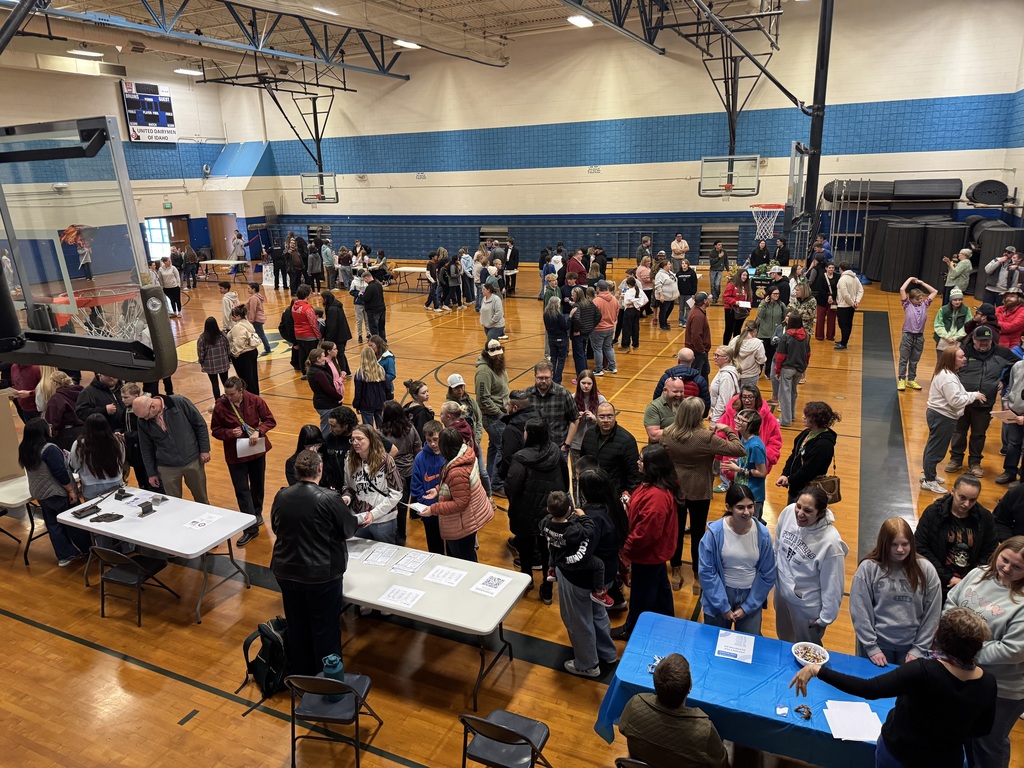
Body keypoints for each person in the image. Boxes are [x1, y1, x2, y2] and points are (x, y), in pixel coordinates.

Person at [789, 607, 996, 768]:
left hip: (901, 756)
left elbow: (868, 689)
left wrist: (819, 671)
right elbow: (982, 729)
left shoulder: (922, 671)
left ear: (938, 635)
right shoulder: (988, 682)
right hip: (946, 761)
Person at [270, 449, 358, 677]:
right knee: (325, 630)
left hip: (286, 571)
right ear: (320, 469)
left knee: (297, 627)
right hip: (322, 575)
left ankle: (302, 679)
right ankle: (327, 683)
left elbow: (276, 526)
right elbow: (348, 529)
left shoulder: (281, 495)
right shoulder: (329, 498)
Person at [945, 537, 1024, 767]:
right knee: (967, 736)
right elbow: (952, 601)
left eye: (1017, 567)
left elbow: (1012, 650)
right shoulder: (978, 573)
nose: (1007, 568)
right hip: (966, 675)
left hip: (1003, 690)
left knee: (988, 744)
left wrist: (962, 649)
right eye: (1004, 559)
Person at [661, 399, 745, 593]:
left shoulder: (668, 433)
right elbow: (739, 449)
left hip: (676, 488)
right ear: (698, 415)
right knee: (699, 532)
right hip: (699, 489)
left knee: (676, 530)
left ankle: (675, 571)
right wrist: (728, 430)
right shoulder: (706, 437)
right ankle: (698, 575)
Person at [557, 469, 627, 676]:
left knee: (578, 621)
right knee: (598, 614)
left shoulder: (591, 518)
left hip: (581, 578)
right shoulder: (615, 508)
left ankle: (587, 664)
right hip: (605, 575)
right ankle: (607, 653)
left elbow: (581, 551)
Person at [849, 517, 942, 668]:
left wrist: (919, 649)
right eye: (894, 545)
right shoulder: (869, 568)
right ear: (884, 544)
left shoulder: (926, 570)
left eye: (905, 544)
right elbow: (860, 610)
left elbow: (932, 613)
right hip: (877, 647)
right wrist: (871, 647)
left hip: (911, 650)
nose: (900, 549)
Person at [612, 444, 678, 641]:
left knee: (641, 597)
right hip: (654, 555)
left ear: (653, 466)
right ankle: (668, 624)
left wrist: (626, 549)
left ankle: (633, 630)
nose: (638, 462)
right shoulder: (652, 486)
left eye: (642, 460)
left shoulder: (656, 496)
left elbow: (646, 533)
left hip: (647, 556)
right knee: (660, 592)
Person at [618, 653, 729, 768]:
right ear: (690, 687)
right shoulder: (705, 730)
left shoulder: (635, 704)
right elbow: (721, 763)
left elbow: (622, 728)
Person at [505, 419, 570, 604]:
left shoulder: (520, 457)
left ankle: (527, 581)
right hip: (550, 512)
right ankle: (547, 589)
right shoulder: (556, 452)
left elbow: (511, 486)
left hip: (524, 512)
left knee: (525, 549)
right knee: (547, 551)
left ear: (529, 434)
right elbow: (565, 480)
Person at [773, 485, 849, 643]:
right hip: (782, 593)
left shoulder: (831, 543)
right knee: (784, 639)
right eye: (799, 506)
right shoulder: (788, 512)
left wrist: (826, 618)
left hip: (806, 607)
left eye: (807, 511)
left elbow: (833, 583)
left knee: (806, 649)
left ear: (820, 513)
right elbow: (777, 547)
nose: (800, 513)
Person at [698, 484, 776, 635]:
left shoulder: (763, 535)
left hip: (750, 596)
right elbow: (707, 572)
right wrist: (723, 606)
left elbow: (768, 574)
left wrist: (747, 607)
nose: (747, 512)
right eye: (740, 507)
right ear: (729, 507)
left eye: (750, 506)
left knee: (748, 645)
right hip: (720, 595)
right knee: (713, 642)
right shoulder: (714, 534)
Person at [210, 377, 275, 547]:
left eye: (232, 394)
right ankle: (250, 528)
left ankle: (257, 512)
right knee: (241, 490)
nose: (228, 397)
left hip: (255, 451)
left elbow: (270, 420)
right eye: (226, 394)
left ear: (241, 391)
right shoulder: (220, 406)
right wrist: (230, 433)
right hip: (235, 454)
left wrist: (258, 431)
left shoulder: (255, 400)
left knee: (257, 484)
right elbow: (215, 430)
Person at [946, 325, 1015, 477]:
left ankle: (975, 463)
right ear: (973, 339)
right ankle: (955, 459)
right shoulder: (963, 352)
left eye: (987, 340)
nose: (984, 343)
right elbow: (947, 368)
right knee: (959, 432)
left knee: (979, 434)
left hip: (985, 403)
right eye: (980, 340)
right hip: (962, 401)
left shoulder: (1002, 353)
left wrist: (1004, 379)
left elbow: (1017, 366)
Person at [19, 417, 90, 566]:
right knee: (73, 522)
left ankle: (65, 555)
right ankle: (87, 549)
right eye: (48, 425)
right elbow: (60, 473)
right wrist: (71, 490)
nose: (50, 427)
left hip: (40, 493)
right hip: (57, 492)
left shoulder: (25, 448)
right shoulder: (49, 449)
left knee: (53, 525)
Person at [916, 474, 997, 599]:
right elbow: (920, 547)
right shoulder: (933, 513)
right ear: (953, 492)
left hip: (970, 583)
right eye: (962, 497)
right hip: (935, 579)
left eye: (972, 500)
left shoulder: (985, 518)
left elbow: (989, 552)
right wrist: (947, 577)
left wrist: (969, 579)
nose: (966, 504)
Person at [418, 427, 493, 561]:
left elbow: (461, 502)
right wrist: (438, 489)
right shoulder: (466, 453)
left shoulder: (456, 472)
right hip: (468, 518)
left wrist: (433, 509)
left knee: (463, 560)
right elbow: (455, 486)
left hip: (462, 524)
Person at [921, 346, 986, 493]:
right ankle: (929, 480)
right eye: (961, 357)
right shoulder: (948, 378)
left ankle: (928, 474)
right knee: (936, 450)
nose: (964, 359)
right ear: (951, 359)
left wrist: (971, 394)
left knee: (932, 446)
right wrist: (974, 396)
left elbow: (958, 394)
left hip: (939, 415)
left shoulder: (947, 373)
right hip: (942, 417)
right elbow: (955, 401)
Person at [132, 393, 211, 502]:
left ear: (153, 407)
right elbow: (146, 448)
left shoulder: (179, 402)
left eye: (146, 416)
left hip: (192, 461)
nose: (144, 420)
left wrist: (204, 450)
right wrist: (151, 473)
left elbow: (200, 424)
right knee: (174, 504)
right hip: (167, 467)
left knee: (202, 500)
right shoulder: (142, 420)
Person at [540, 490, 613, 607]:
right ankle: (599, 592)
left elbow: (542, 529)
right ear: (569, 510)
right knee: (599, 565)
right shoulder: (572, 530)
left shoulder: (545, 522)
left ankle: (552, 570)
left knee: (552, 548)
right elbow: (589, 530)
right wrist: (583, 516)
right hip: (572, 561)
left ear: (548, 509)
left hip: (557, 555)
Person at [343, 424, 403, 544]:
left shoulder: (386, 461)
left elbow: (396, 493)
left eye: (360, 439)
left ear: (371, 440)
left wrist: (374, 514)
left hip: (383, 521)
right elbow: (348, 487)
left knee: (384, 557)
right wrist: (346, 498)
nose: (355, 442)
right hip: (359, 518)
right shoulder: (350, 460)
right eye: (353, 439)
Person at [776, 401, 841, 505]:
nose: (803, 417)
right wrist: (785, 474)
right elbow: (794, 455)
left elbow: (808, 470)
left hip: (808, 492)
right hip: (796, 487)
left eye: (807, 416)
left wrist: (790, 480)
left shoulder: (824, 445)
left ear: (817, 420)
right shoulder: (806, 433)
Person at [380, 400, 421, 547]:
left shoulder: (382, 432)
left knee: (390, 504)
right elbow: (418, 447)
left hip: (390, 473)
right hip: (409, 471)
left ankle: (393, 535)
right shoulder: (410, 428)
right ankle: (401, 536)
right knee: (403, 505)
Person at [475, 339, 509, 497]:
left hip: (500, 413)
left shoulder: (498, 366)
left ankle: (488, 478)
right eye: (494, 355)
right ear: (487, 354)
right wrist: (499, 413)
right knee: (504, 445)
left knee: (495, 447)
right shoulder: (484, 372)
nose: (497, 357)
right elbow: (483, 399)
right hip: (492, 416)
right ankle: (496, 483)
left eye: (499, 354)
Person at [722, 409, 769, 521]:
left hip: (753, 496)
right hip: (743, 491)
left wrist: (739, 469)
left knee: (749, 526)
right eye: (738, 418)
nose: (737, 422)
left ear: (751, 425)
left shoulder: (755, 446)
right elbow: (748, 462)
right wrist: (736, 462)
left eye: (742, 421)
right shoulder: (744, 438)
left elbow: (762, 472)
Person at [525, 361, 580, 454]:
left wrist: (566, 444)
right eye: (540, 378)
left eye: (547, 378)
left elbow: (575, 419)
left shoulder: (563, 393)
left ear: (552, 375)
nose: (543, 381)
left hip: (558, 449)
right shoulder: (527, 394)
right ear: (535, 376)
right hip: (534, 450)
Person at [896, 276, 939, 390]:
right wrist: (910, 279)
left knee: (914, 360)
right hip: (907, 335)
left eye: (921, 298)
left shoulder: (924, 305)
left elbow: (935, 291)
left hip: (919, 336)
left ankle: (911, 379)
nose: (920, 300)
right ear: (911, 299)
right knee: (904, 359)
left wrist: (922, 283)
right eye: (918, 299)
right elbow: (902, 289)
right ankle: (901, 379)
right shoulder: (907, 305)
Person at [410, 420, 446, 554]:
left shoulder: (449, 455)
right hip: (429, 513)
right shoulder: (420, 458)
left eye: (436, 439)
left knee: (452, 549)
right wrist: (426, 504)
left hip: (448, 511)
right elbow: (415, 486)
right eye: (429, 440)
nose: (433, 444)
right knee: (435, 548)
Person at [773, 313, 811, 427]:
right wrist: (804, 366)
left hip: (787, 368)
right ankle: (792, 415)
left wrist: (777, 370)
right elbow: (808, 354)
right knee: (793, 392)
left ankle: (786, 420)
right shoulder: (806, 335)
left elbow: (780, 355)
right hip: (799, 368)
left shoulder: (786, 336)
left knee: (785, 394)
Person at [306, 347, 344, 437]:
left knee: (328, 426)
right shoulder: (319, 373)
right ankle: (325, 446)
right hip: (326, 404)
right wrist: (339, 397)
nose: (325, 358)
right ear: (318, 359)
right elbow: (328, 389)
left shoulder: (315, 369)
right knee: (326, 429)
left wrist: (326, 363)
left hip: (322, 402)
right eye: (323, 356)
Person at [352, 346, 392, 427]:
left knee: (368, 428)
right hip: (380, 402)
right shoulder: (381, 370)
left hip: (366, 405)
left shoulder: (360, 373)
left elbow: (358, 392)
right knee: (381, 427)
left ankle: (370, 439)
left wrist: (356, 405)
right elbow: (388, 387)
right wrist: (387, 399)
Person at [643, 377, 689, 444]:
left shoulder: (686, 404)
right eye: (675, 391)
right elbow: (654, 436)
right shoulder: (654, 407)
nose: (679, 395)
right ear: (665, 390)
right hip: (662, 450)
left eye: (681, 391)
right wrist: (682, 430)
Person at [44, 371, 83, 451]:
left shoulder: (56, 399)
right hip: (85, 430)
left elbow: (53, 422)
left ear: (54, 383)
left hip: (67, 436)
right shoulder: (82, 392)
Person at [755, 286, 786, 385]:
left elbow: (784, 318)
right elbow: (760, 315)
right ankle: (757, 372)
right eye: (774, 294)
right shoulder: (763, 304)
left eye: (778, 294)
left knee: (772, 354)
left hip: (774, 335)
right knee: (761, 354)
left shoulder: (781, 305)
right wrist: (764, 303)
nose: (776, 296)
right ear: (769, 294)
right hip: (763, 333)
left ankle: (768, 372)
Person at [227, 304, 260, 395]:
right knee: (253, 376)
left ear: (238, 316)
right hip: (252, 351)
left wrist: (234, 354)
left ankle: (249, 395)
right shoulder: (247, 323)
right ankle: (255, 394)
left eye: (233, 316)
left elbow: (239, 343)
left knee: (246, 378)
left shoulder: (238, 327)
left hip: (243, 355)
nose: (232, 318)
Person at [197, 317, 231, 403]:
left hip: (210, 366)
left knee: (214, 384)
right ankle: (230, 399)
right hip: (223, 363)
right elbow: (228, 348)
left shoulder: (202, 338)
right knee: (225, 382)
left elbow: (201, 353)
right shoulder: (222, 335)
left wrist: (201, 361)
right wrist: (227, 358)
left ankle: (218, 402)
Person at [933, 286, 972, 361]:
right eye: (955, 300)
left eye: (960, 300)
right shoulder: (943, 309)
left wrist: (956, 337)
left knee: (955, 363)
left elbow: (967, 326)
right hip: (943, 340)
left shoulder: (966, 310)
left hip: (958, 341)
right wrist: (947, 337)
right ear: (951, 300)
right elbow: (938, 325)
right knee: (941, 363)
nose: (957, 302)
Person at [291, 284, 321, 375]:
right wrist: (319, 336)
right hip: (309, 335)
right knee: (311, 355)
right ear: (307, 294)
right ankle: (311, 372)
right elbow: (313, 324)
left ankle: (304, 372)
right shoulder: (307, 308)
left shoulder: (294, 306)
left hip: (299, 334)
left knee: (302, 354)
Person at [590, 280, 618, 375]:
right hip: (610, 327)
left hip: (598, 329)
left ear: (598, 289)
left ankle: (598, 369)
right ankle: (612, 367)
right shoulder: (614, 299)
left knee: (597, 349)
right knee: (608, 348)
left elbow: (592, 316)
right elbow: (617, 313)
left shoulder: (596, 301)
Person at [320, 289, 352, 374]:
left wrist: (328, 339)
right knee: (341, 354)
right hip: (342, 334)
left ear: (326, 299)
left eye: (322, 299)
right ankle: (346, 371)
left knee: (339, 355)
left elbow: (332, 326)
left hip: (338, 336)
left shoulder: (332, 309)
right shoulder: (336, 305)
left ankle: (344, 372)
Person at [834, 261, 864, 350]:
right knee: (847, 324)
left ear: (840, 269)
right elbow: (861, 290)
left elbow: (845, 294)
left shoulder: (842, 280)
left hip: (844, 306)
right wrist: (856, 301)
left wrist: (852, 303)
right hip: (851, 306)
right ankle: (844, 340)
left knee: (843, 325)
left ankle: (844, 343)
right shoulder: (855, 278)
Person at [708, 346, 740, 426]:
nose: (714, 357)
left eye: (717, 356)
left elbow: (723, 401)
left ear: (726, 359)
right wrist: (713, 414)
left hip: (722, 419)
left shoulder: (726, 376)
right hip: (720, 415)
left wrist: (714, 421)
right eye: (714, 354)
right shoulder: (723, 372)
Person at [543, 296, 572, 384]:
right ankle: (558, 380)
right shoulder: (558, 315)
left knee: (553, 359)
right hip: (561, 339)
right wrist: (570, 317)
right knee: (561, 360)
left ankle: (551, 378)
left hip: (551, 339)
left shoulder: (545, 314)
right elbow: (566, 327)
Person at [731, 321, 766, 390]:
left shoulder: (735, 340)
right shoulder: (758, 343)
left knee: (736, 398)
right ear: (755, 330)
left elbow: (729, 356)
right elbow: (762, 360)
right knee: (748, 398)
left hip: (736, 374)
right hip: (751, 375)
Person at [685, 292, 712, 377]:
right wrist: (702, 351)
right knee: (698, 376)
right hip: (698, 352)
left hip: (698, 351)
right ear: (704, 301)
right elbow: (696, 336)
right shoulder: (698, 316)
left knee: (704, 373)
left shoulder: (697, 311)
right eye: (708, 299)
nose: (709, 301)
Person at [722, 269, 752, 345]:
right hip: (731, 310)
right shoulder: (732, 284)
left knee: (738, 330)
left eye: (746, 275)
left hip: (742, 311)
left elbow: (750, 298)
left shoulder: (747, 286)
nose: (745, 277)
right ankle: (725, 346)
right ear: (739, 275)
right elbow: (725, 297)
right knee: (729, 329)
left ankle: (736, 346)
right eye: (743, 275)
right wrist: (735, 302)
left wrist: (748, 308)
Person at [812, 259, 839, 341]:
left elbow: (838, 288)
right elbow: (819, 288)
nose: (831, 269)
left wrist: (832, 296)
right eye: (830, 267)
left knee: (832, 319)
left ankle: (830, 336)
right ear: (826, 268)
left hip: (833, 300)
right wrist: (827, 296)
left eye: (832, 268)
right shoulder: (821, 276)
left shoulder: (837, 276)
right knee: (820, 318)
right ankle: (819, 335)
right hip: (822, 300)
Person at [619, 276, 647, 351]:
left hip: (629, 311)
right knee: (635, 327)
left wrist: (631, 301)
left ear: (628, 284)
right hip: (637, 311)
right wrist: (639, 305)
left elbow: (626, 303)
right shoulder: (639, 290)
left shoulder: (628, 292)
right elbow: (646, 300)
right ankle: (635, 343)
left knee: (627, 328)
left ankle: (625, 343)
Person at [245, 282, 272, 356]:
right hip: (259, 318)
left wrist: (250, 320)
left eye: (249, 288)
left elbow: (253, 310)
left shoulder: (253, 298)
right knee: (259, 334)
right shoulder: (258, 296)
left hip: (256, 319)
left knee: (260, 334)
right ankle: (266, 348)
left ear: (253, 289)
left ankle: (267, 348)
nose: (247, 290)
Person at [361, 268, 387, 341]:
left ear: (367, 278)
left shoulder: (370, 287)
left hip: (373, 311)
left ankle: (376, 343)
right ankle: (383, 341)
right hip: (382, 309)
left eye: (364, 280)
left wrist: (360, 296)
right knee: (381, 327)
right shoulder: (379, 285)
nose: (365, 281)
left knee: (374, 328)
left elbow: (366, 298)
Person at [654, 260, 678, 330]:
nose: (670, 265)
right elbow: (658, 285)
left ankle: (664, 321)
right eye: (669, 264)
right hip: (665, 296)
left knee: (670, 308)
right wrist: (661, 295)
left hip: (671, 297)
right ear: (665, 266)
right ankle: (662, 325)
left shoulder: (669, 272)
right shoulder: (660, 274)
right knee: (663, 310)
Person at [676, 259, 698, 329]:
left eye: (685, 263)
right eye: (682, 263)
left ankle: (686, 321)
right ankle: (681, 320)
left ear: (688, 265)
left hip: (689, 294)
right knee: (681, 308)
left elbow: (694, 284)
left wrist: (693, 293)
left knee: (688, 308)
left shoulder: (692, 273)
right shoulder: (678, 273)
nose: (684, 265)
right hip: (681, 294)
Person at [348, 269, 368, 343]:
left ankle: (368, 334)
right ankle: (360, 335)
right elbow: (351, 291)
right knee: (359, 320)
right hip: (358, 303)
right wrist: (358, 294)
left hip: (366, 303)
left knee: (367, 320)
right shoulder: (354, 282)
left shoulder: (367, 281)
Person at [707, 240, 728, 304]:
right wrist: (718, 257)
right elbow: (712, 262)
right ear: (715, 246)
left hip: (720, 270)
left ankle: (717, 294)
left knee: (717, 284)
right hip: (713, 270)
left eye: (721, 244)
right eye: (719, 244)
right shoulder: (711, 252)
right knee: (712, 285)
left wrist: (728, 269)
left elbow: (726, 261)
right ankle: (714, 298)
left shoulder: (724, 252)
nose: (720, 246)